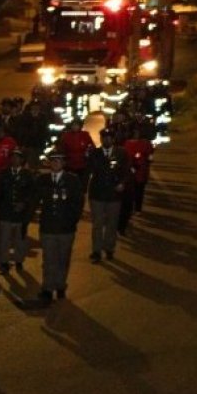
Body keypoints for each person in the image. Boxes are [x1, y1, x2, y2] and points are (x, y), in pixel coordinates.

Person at [33, 151, 85, 301]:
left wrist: (71, 221)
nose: (55, 163)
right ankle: (48, 288)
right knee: (48, 260)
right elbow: (34, 199)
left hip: (65, 228)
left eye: (59, 160)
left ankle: (60, 285)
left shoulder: (72, 180)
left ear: (64, 163)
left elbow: (78, 203)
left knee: (63, 259)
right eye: (53, 160)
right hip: (48, 227)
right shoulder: (42, 179)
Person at [87, 128, 130, 263]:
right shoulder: (94, 153)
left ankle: (109, 248)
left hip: (114, 194)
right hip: (97, 194)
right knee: (97, 225)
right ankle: (96, 251)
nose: (106, 140)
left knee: (112, 224)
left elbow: (127, 171)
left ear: (113, 139)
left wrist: (122, 183)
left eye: (109, 137)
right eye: (104, 137)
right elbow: (89, 170)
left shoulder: (121, 153)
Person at [0, 148, 37, 273]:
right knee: (4, 240)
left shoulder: (28, 175)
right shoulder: (4, 174)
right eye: (13, 157)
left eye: (17, 157)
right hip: (6, 212)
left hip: (21, 214)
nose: (14, 159)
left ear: (22, 160)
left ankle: (19, 261)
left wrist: (24, 204)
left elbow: (32, 194)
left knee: (20, 240)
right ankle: (4, 262)